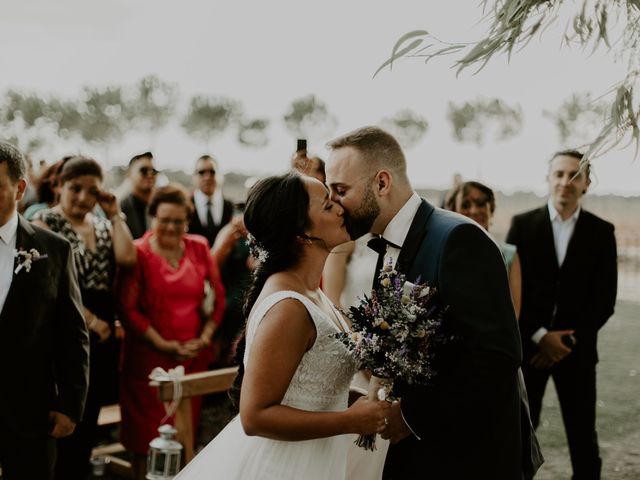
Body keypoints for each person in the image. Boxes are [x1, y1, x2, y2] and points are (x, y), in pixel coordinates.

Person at [325, 126, 540, 479]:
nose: (334, 202)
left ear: (381, 183)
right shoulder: (385, 242)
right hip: (418, 454)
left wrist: (410, 416)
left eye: (341, 190)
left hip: (467, 455)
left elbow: (498, 355)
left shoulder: (458, 238)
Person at [175, 172, 389, 479]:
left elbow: (309, 386)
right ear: (300, 232)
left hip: (316, 458)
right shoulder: (288, 306)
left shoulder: (313, 291)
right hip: (284, 465)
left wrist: (358, 400)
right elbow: (255, 416)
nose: (341, 207)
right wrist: (349, 421)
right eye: (327, 206)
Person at [506, 150, 617, 479]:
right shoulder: (522, 226)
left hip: (577, 351)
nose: (565, 182)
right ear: (548, 179)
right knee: (521, 434)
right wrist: (540, 337)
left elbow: (604, 300)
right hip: (531, 349)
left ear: (586, 184)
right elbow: (510, 293)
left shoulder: (601, 232)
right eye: (558, 174)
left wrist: (565, 341)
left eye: (574, 175)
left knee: (583, 437)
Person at [31, 156, 136, 479]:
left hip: (102, 331)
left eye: (91, 191)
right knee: (61, 412)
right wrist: (91, 322)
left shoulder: (103, 225)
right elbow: (50, 289)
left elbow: (127, 256)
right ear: (59, 186)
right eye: (74, 188)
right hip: (65, 324)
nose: (81, 198)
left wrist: (114, 211)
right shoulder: (44, 223)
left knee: (89, 414)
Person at [118, 183, 226, 480]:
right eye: (164, 219)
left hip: (191, 359)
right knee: (145, 441)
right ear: (152, 217)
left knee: (183, 436)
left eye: (178, 220)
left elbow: (218, 296)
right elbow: (127, 309)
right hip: (148, 362)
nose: (171, 226)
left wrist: (204, 339)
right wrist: (164, 344)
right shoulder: (138, 252)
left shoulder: (199, 247)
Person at [0, 142, 89, 480]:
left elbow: (71, 333)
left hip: (30, 410)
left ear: (20, 188)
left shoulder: (52, 250)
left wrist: (70, 404)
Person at [447, 180, 522, 317]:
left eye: (481, 203)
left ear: (491, 209)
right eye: (465, 205)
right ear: (453, 211)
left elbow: (514, 315)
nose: (474, 210)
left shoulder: (509, 255)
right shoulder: (445, 253)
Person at [188, 154, 234, 247]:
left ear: (219, 175)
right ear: (194, 176)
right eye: (202, 172)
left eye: (212, 172)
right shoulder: (186, 205)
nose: (207, 177)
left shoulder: (230, 207)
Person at [120, 151, 157, 239]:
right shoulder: (121, 208)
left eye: (153, 171)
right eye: (144, 171)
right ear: (129, 174)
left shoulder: (160, 205)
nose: (150, 174)